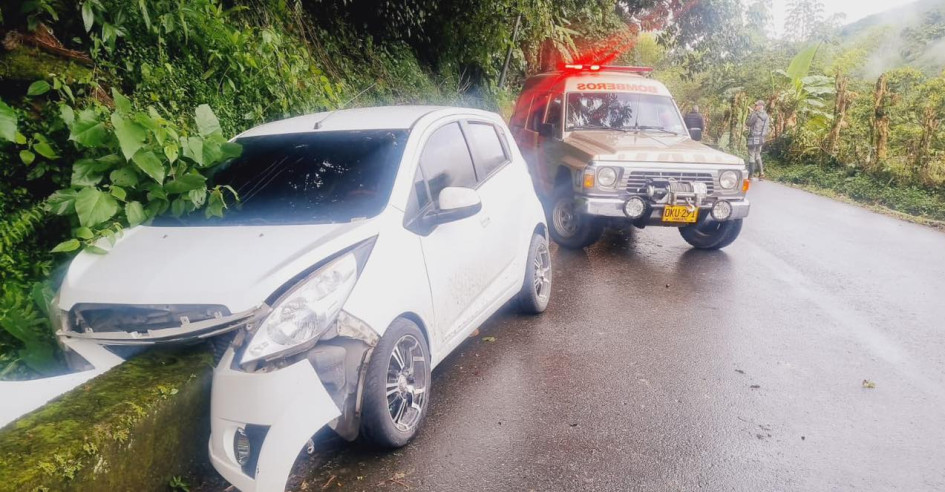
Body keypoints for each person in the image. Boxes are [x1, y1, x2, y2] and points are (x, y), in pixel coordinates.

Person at [745, 100, 770, 180]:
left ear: (760, 106)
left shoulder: (755, 114)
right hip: (761, 138)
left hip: (753, 137)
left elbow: (748, 123)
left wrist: (750, 114)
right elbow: (766, 129)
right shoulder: (766, 116)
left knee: (751, 154)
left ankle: (750, 175)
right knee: (758, 155)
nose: (755, 106)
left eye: (756, 105)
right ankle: (761, 174)